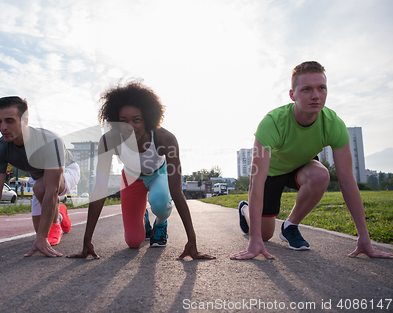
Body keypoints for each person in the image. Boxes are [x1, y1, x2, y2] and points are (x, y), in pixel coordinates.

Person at [230, 61, 393, 260]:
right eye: (307, 89)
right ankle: (244, 208)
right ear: (292, 95)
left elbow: (347, 180)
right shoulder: (272, 123)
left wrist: (364, 237)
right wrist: (254, 239)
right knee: (264, 235)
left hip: (301, 167)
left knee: (320, 175)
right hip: (271, 173)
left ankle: (290, 226)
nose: (316, 96)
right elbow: (257, 181)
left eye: (321, 88)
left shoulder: (333, 124)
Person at [68, 81, 215, 260]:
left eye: (136, 120)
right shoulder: (109, 141)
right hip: (131, 177)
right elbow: (99, 189)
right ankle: (143, 218)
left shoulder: (164, 139)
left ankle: (160, 224)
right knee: (133, 241)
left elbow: (176, 191)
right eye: (123, 121)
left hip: (158, 174)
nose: (130, 126)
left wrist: (192, 241)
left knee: (160, 202)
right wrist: (87, 241)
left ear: (147, 118)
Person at [0, 96, 79, 258]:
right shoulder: (0, 148)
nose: (3, 127)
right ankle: (61, 213)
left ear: (25, 120)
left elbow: (51, 189)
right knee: (39, 213)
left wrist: (41, 238)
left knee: (41, 190)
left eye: (9, 121)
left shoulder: (50, 141)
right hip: (39, 176)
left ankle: (57, 220)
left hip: (67, 170)